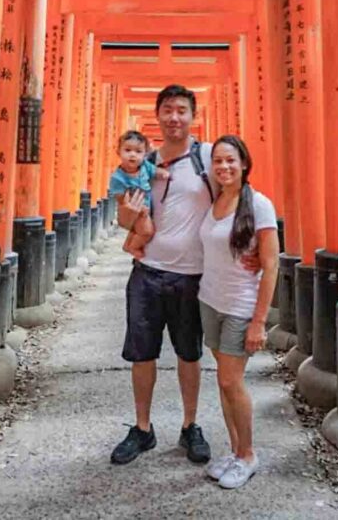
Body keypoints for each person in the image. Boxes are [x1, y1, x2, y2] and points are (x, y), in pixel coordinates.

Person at [110, 84, 216, 466]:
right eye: (168, 110)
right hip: (148, 273)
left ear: (193, 115)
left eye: (181, 110)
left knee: (189, 354)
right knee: (143, 355)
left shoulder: (207, 159)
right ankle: (142, 428)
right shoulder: (143, 164)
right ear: (157, 116)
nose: (174, 117)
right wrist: (133, 212)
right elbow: (123, 219)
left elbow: (234, 200)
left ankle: (190, 426)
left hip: (192, 276)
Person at [197, 135, 279, 489]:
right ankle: (233, 450)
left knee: (232, 381)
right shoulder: (216, 200)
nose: (224, 167)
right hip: (210, 301)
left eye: (231, 160)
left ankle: (247, 454)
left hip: (240, 306)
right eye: (217, 161)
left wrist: (259, 321)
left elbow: (271, 264)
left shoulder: (259, 205)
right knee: (223, 379)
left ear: (244, 163)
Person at [108, 130, 169, 259]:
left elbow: (154, 171)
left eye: (138, 151)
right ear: (118, 151)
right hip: (137, 209)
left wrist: (162, 173)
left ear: (145, 154)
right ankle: (133, 247)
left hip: (146, 207)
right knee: (147, 232)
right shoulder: (118, 177)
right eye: (128, 150)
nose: (133, 155)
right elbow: (120, 198)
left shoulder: (145, 167)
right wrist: (129, 206)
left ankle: (127, 244)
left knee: (138, 230)